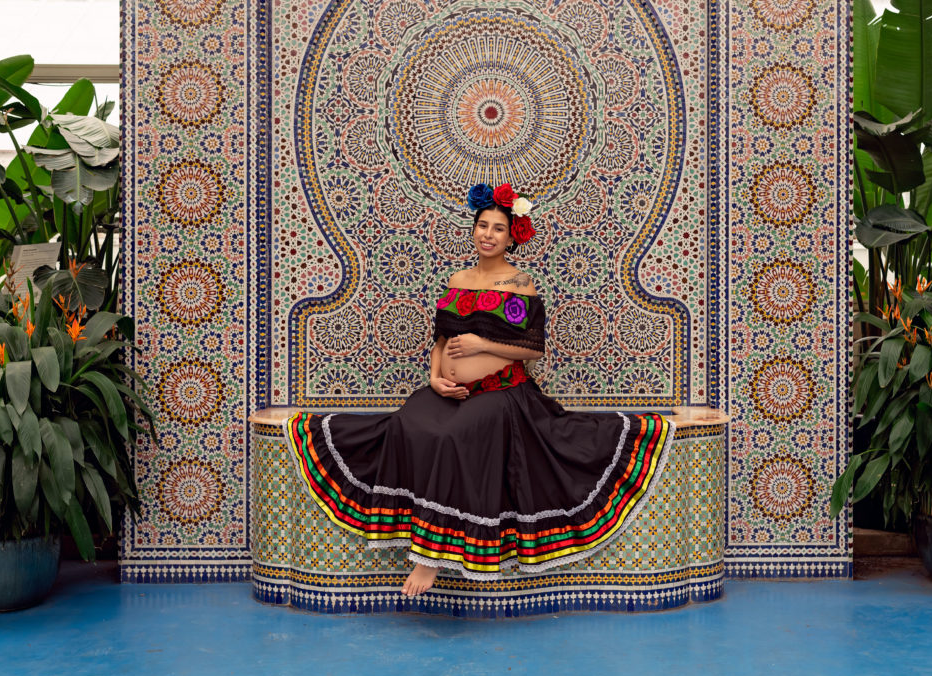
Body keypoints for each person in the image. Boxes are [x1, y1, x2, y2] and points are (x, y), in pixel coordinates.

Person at [285, 182, 674, 597]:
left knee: (454, 437)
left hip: (501, 394)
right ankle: (408, 524)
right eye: (483, 226)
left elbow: (532, 348)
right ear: (473, 230)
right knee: (406, 424)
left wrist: (482, 344)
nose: (489, 234)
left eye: (499, 229)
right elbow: (440, 339)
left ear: (512, 236)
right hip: (446, 389)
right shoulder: (459, 279)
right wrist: (434, 376)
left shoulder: (519, 284)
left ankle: (428, 558)